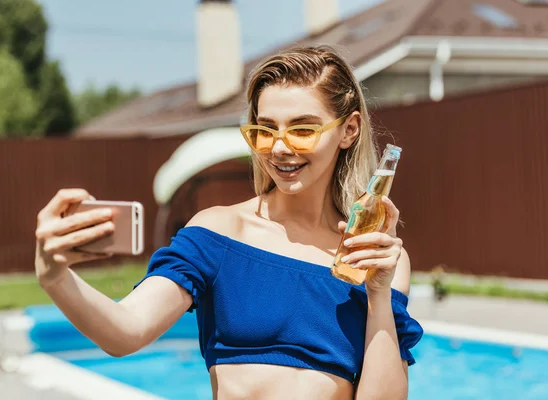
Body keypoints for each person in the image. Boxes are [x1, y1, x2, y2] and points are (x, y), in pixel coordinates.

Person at [35, 45, 423, 400]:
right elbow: (125, 331)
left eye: (303, 129)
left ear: (349, 130)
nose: (280, 147)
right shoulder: (218, 234)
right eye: (265, 129)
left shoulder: (372, 255)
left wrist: (378, 296)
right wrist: (55, 277)